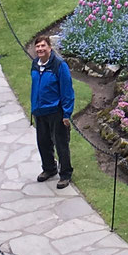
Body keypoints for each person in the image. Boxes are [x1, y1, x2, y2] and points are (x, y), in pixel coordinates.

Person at [29, 34, 75, 188]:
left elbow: (67, 90)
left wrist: (66, 113)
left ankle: (65, 174)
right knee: (43, 142)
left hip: (56, 111)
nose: (40, 49)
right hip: (40, 111)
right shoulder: (35, 64)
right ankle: (49, 168)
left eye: (43, 46)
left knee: (61, 143)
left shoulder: (59, 65)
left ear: (49, 47)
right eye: (37, 46)